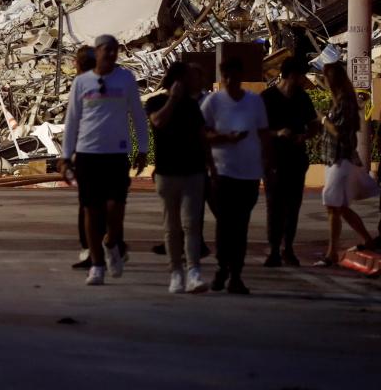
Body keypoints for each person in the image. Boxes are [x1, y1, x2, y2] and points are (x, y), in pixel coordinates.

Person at [59, 34, 149, 286]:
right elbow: (72, 121)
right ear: (97, 52)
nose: (110, 54)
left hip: (116, 154)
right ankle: (97, 264)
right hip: (88, 154)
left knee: (115, 209)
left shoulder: (125, 79)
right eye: (106, 49)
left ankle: (111, 242)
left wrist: (142, 149)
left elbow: (138, 116)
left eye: (114, 50)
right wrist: (66, 157)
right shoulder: (82, 82)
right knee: (91, 210)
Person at [201, 56, 270, 294]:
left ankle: (236, 274)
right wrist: (225, 139)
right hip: (222, 172)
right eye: (226, 77)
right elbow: (201, 134)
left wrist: (267, 163)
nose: (230, 81)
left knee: (241, 225)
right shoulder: (213, 102)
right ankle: (222, 267)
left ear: (241, 77)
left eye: (234, 77)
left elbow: (263, 133)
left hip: (249, 173)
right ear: (222, 78)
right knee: (225, 223)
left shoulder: (254, 102)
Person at [145, 61, 211, 294]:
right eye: (190, 78)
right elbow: (158, 122)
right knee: (172, 227)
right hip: (167, 172)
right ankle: (175, 272)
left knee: (191, 224)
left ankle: (193, 272)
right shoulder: (156, 102)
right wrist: (173, 99)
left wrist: (210, 166)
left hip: (193, 171)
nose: (196, 81)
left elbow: (202, 137)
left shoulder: (193, 106)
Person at [314, 60, 378, 266]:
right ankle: (366, 239)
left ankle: (331, 253)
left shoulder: (346, 103)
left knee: (333, 204)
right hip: (337, 160)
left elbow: (340, 133)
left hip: (341, 160)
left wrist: (324, 120)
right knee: (339, 206)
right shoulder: (341, 101)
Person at [260, 56, 319, 267]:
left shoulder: (302, 98)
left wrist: (304, 136)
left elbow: (314, 125)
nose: (304, 79)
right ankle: (274, 249)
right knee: (274, 206)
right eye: (302, 75)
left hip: (296, 159)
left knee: (293, 206)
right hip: (273, 160)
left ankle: (288, 248)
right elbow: (257, 131)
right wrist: (277, 133)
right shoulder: (267, 98)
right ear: (292, 75)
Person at [67, 45, 98, 270]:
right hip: (97, 153)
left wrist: (67, 156)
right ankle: (101, 246)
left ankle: (93, 247)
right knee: (99, 204)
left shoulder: (82, 84)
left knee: (88, 205)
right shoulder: (115, 81)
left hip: (90, 152)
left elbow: (72, 123)